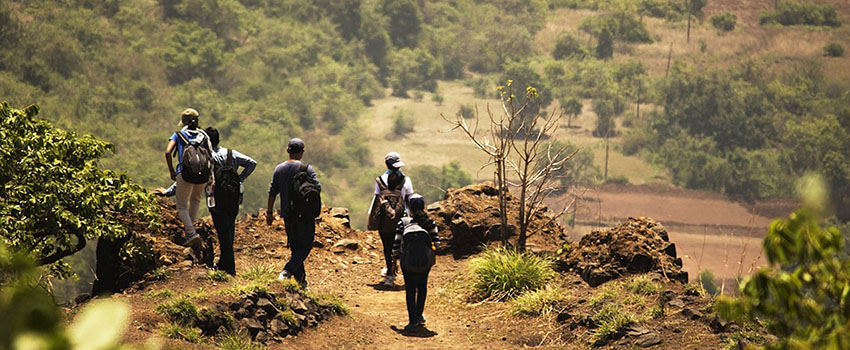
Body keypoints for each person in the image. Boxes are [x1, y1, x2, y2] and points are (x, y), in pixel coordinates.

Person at [266, 138, 321, 289]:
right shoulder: (306, 169)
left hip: (287, 214)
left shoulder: (279, 169)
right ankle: (287, 271)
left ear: (287, 150)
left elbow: (272, 193)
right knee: (306, 246)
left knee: (295, 246)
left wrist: (269, 212)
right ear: (302, 152)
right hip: (304, 214)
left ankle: (301, 283)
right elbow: (317, 187)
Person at [204, 127, 257, 275]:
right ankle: (224, 263)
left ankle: (229, 268)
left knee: (222, 232)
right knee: (229, 229)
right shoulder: (230, 154)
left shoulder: (207, 157)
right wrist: (240, 179)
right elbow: (252, 163)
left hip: (215, 198)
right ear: (218, 140)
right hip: (233, 198)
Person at [164, 108, 213, 247]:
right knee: (196, 200)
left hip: (184, 173)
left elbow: (168, 152)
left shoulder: (179, 135)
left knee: (181, 205)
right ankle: (190, 232)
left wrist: (172, 170)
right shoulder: (204, 136)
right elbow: (210, 156)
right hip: (202, 174)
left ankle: (191, 233)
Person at [392, 194, 438, 331]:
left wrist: (393, 260)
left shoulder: (404, 222)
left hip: (407, 262)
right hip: (425, 261)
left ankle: (412, 321)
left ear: (410, 208)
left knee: (410, 289)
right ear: (423, 206)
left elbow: (396, 243)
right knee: (422, 286)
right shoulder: (430, 222)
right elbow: (437, 242)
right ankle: (419, 315)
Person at [368, 152, 414, 287]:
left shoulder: (380, 180)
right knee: (403, 246)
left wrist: (371, 218)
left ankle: (389, 276)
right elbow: (409, 199)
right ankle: (406, 275)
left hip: (384, 220)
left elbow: (377, 199)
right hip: (403, 219)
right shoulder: (406, 180)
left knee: (387, 247)